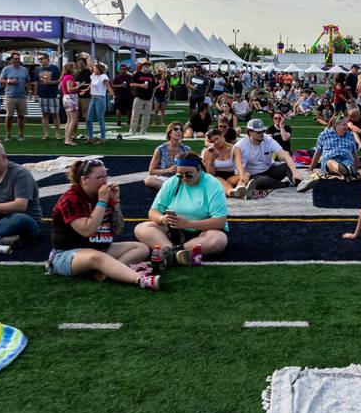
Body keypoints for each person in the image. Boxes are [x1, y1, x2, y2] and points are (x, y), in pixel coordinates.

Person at [47, 158, 159, 290]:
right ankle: (140, 279)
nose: (105, 181)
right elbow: (87, 230)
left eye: (106, 176)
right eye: (99, 178)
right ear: (84, 179)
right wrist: (102, 202)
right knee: (98, 257)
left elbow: (117, 229)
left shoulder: (101, 196)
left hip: (99, 248)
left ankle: (107, 271)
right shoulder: (71, 199)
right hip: (68, 254)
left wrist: (115, 201)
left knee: (141, 248)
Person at [133, 155, 229, 264]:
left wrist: (188, 224)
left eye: (189, 174)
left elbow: (220, 221)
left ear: (199, 170)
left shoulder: (212, 184)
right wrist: (163, 219)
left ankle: (170, 252)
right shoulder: (173, 182)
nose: (184, 178)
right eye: (180, 174)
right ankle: (176, 253)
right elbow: (153, 212)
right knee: (141, 228)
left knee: (219, 240)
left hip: (204, 230)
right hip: (175, 230)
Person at [229, 118, 300, 197]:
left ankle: (299, 183)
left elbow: (285, 156)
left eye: (262, 131)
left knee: (287, 166)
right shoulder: (240, 146)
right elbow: (238, 167)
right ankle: (285, 185)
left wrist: (295, 172)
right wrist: (242, 178)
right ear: (249, 132)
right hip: (253, 175)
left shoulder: (268, 140)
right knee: (262, 181)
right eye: (258, 132)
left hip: (269, 170)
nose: (261, 134)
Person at [301, 114, 361, 188]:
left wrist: (359, 165)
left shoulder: (350, 135)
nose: (346, 127)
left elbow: (354, 151)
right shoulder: (324, 135)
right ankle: (345, 170)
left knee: (348, 163)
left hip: (345, 158)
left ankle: (348, 170)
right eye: (344, 125)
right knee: (331, 163)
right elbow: (318, 152)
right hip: (329, 159)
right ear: (336, 125)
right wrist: (311, 168)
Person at [146, 122, 195, 189]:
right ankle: (174, 189)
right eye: (175, 129)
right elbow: (151, 171)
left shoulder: (186, 149)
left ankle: (169, 190)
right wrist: (168, 170)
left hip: (182, 178)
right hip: (164, 179)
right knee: (148, 180)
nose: (179, 131)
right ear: (169, 133)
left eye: (181, 130)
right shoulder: (160, 149)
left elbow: (193, 168)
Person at [0, 52, 31, 141]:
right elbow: (1, 80)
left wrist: (29, 91)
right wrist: (9, 81)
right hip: (10, 96)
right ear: (11, 60)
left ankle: (21, 134)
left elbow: (28, 81)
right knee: (9, 116)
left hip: (21, 96)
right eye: (15, 59)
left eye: (18, 59)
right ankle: (8, 134)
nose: (17, 60)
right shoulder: (6, 69)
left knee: (21, 116)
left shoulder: (24, 69)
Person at [201, 128, 241, 193]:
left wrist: (242, 176)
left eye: (217, 139)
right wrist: (212, 161)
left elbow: (239, 166)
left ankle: (240, 188)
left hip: (231, 176)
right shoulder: (208, 151)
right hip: (216, 176)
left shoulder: (234, 148)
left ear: (222, 135)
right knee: (225, 184)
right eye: (213, 141)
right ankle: (231, 191)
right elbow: (210, 175)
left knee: (246, 175)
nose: (216, 142)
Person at [35, 54, 61, 140]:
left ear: (47, 59)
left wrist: (51, 82)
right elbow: (36, 82)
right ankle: (45, 134)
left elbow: (60, 80)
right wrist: (35, 95)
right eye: (39, 59)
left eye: (41, 59)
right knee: (44, 114)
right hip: (42, 94)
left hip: (53, 94)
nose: (40, 60)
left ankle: (57, 133)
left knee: (55, 114)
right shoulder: (38, 69)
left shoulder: (54, 68)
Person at [129, 59, 155, 135]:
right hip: (139, 97)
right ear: (141, 66)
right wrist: (141, 85)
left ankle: (143, 132)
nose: (146, 67)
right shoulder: (137, 74)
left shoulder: (150, 75)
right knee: (135, 115)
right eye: (145, 65)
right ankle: (132, 131)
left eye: (148, 65)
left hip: (149, 98)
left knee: (147, 116)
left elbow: (153, 86)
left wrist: (160, 85)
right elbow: (131, 84)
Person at [85, 62, 110, 143]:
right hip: (93, 98)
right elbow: (91, 85)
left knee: (100, 119)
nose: (93, 69)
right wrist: (85, 90)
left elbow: (108, 86)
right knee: (88, 119)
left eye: (95, 68)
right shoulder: (93, 76)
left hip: (100, 98)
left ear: (99, 69)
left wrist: (112, 93)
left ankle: (103, 138)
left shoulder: (103, 76)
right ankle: (90, 137)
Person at [58, 65, 81, 145]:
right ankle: (68, 139)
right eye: (74, 68)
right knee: (73, 120)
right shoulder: (69, 77)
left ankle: (67, 137)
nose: (75, 69)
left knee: (69, 120)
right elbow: (69, 89)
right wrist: (78, 86)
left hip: (66, 98)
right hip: (71, 98)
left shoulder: (64, 77)